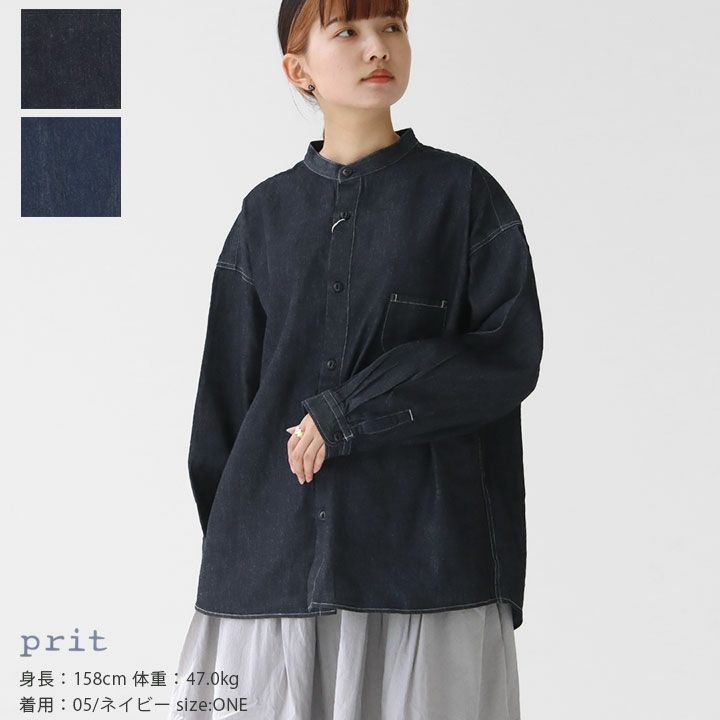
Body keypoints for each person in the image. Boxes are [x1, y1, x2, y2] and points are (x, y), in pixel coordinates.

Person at [169, 1, 543, 718]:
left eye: (392, 28)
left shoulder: (463, 197)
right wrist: (243, 557)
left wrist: (348, 413)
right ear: (298, 69)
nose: (379, 47)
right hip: (272, 581)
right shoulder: (263, 215)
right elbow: (223, 410)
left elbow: (506, 355)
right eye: (348, 31)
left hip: (426, 568)